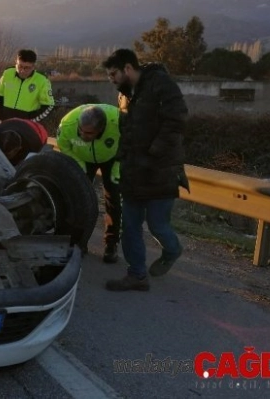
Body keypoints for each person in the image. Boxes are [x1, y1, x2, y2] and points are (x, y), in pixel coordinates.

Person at [101, 48, 190, 291]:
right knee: (129, 226)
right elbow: (127, 130)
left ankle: (172, 250)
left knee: (157, 225)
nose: (112, 80)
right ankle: (137, 275)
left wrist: (155, 151)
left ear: (128, 68)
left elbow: (178, 119)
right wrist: (122, 157)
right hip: (134, 172)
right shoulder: (125, 95)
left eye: (113, 74)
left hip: (160, 170)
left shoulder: (161, 84)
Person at [56, 104, 121, 263]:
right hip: (82, 157)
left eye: (89, 133)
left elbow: (131, 146)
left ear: (102, 129)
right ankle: (79, 242)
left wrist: (117, 170)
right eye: (81, 131)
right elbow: (63, 146)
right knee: (79, 201)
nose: (84, 135)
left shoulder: (119, 122)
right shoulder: (68, 124)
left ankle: (111, 245)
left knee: (113, 200)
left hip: (112, 158)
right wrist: (80, 165)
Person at [0, 49, 54, 123]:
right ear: (16, 62)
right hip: (6, 122)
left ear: (33, 66)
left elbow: (49, 105)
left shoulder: (42, 80)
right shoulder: (8, 73)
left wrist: (32, 121)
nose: (22, 70)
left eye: (27, 68)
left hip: (28, 126)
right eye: (20, 66)